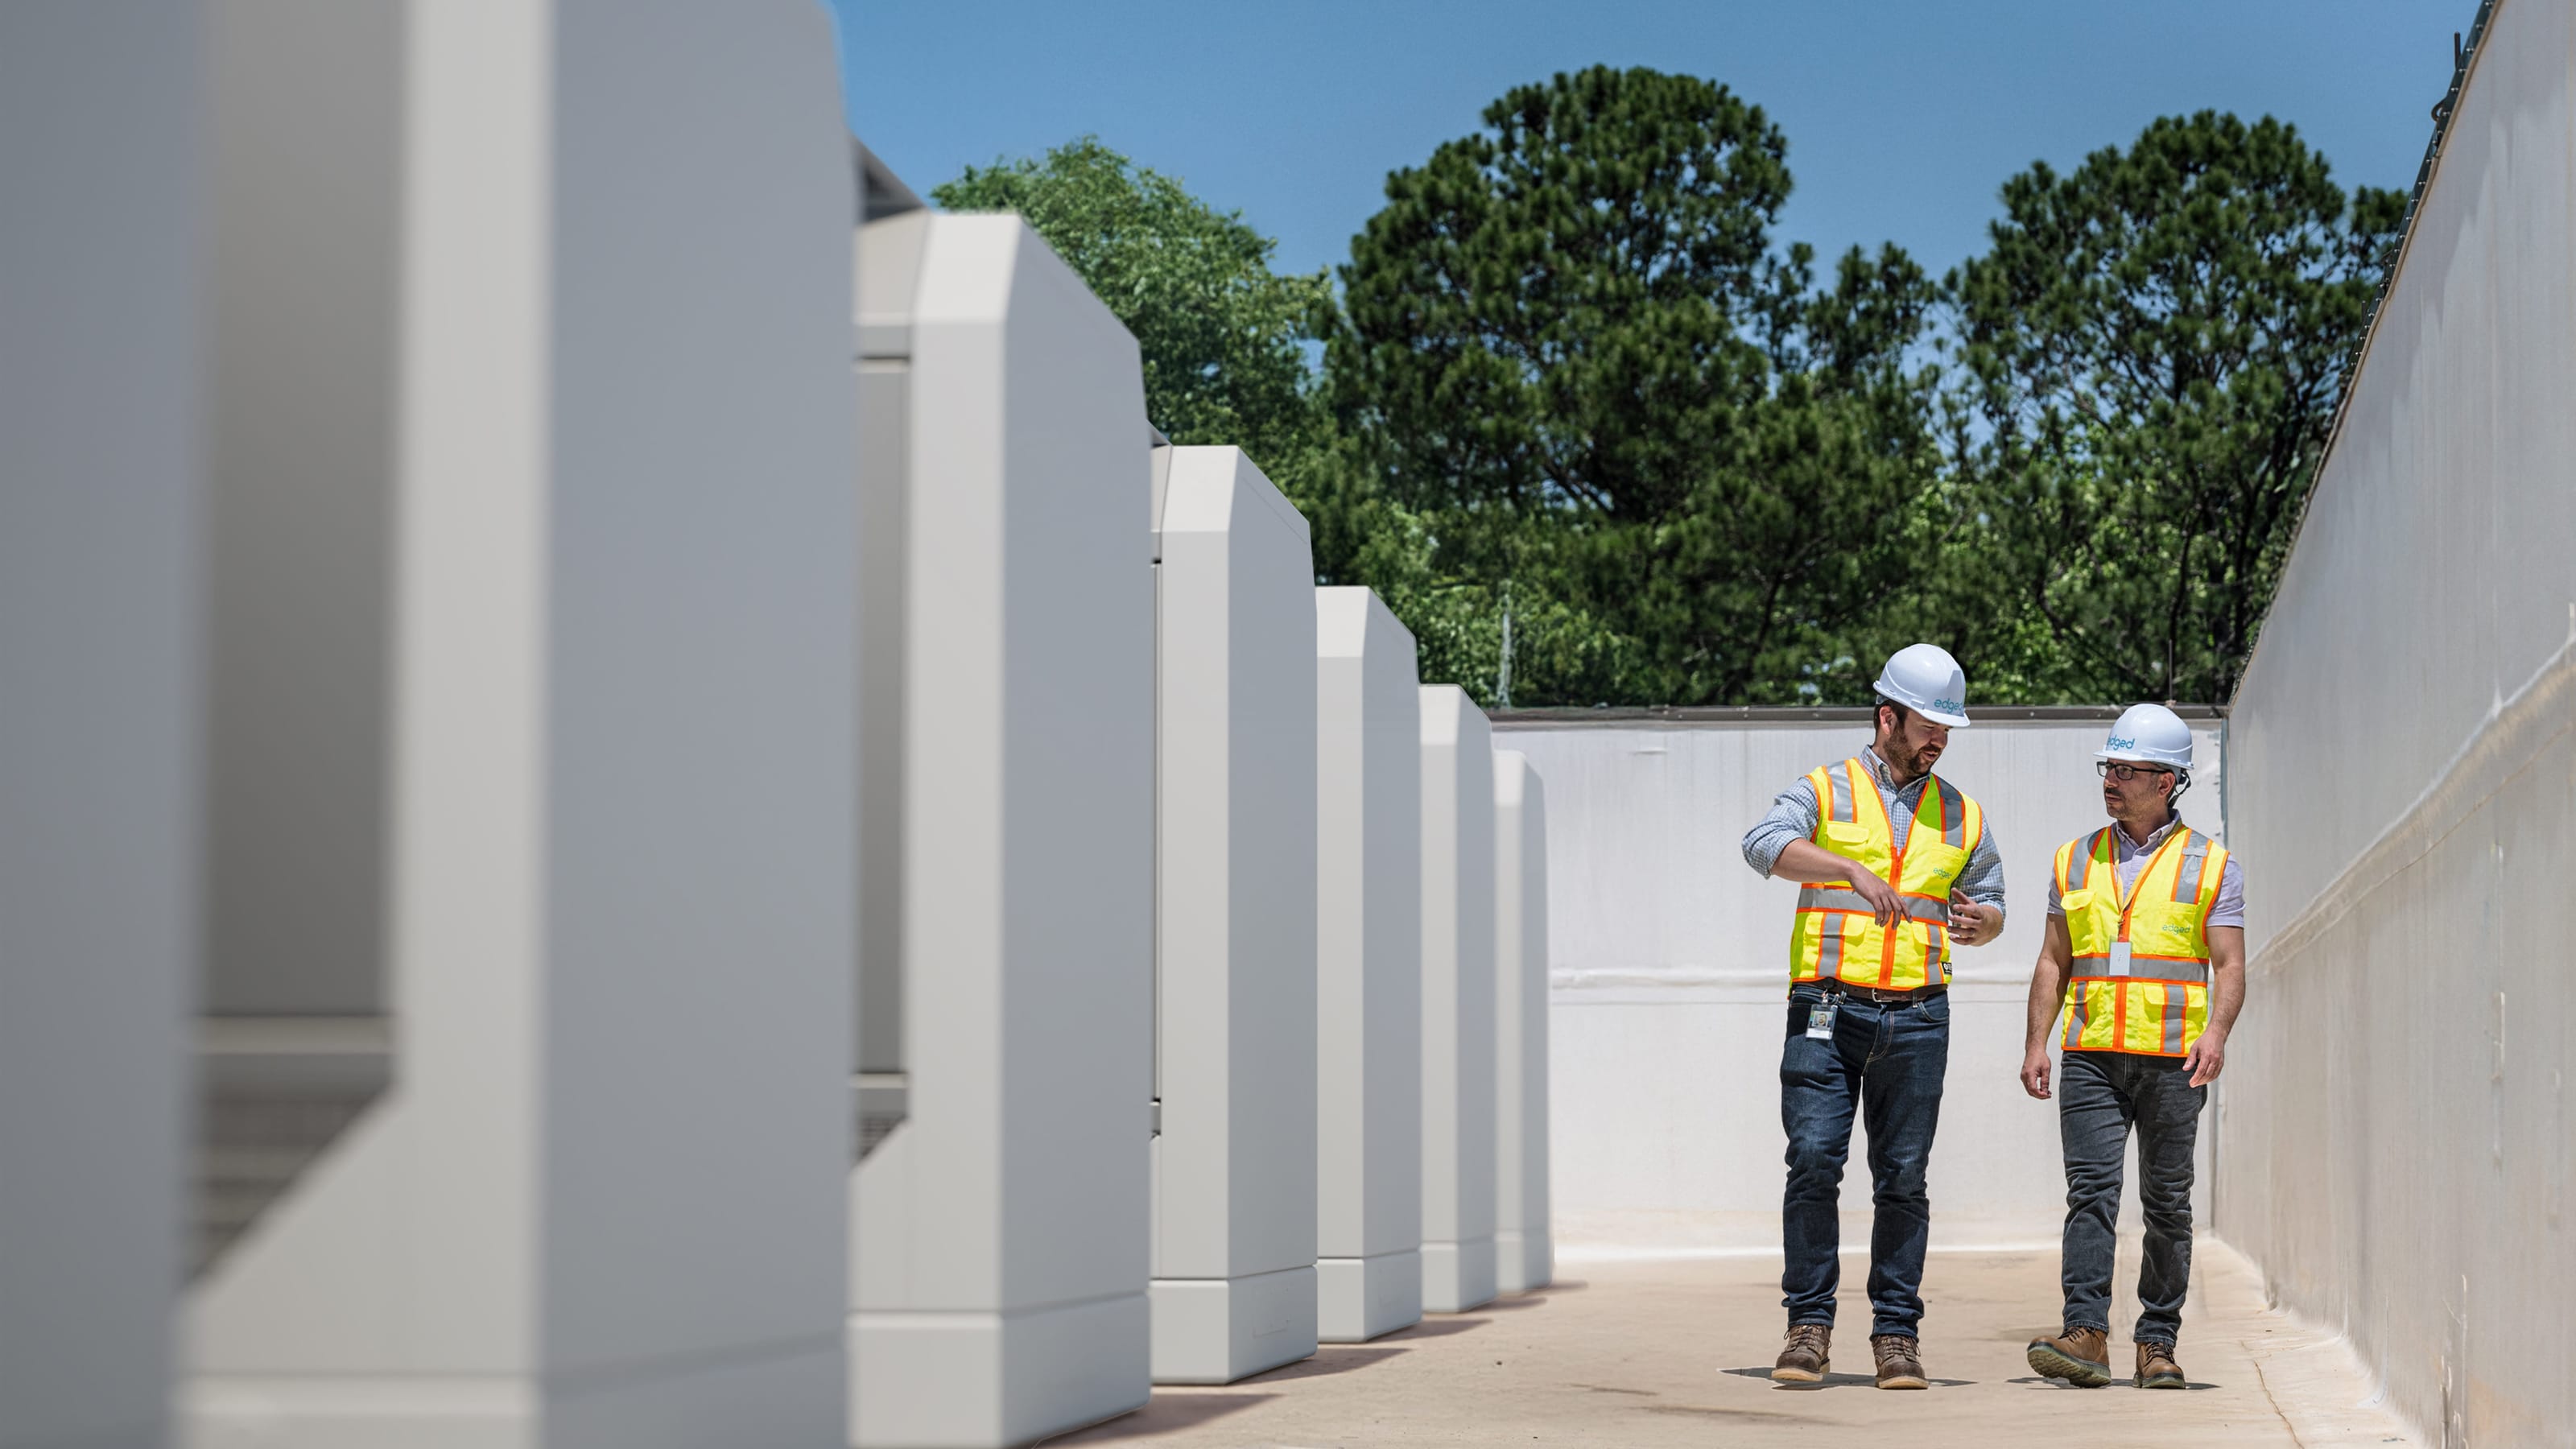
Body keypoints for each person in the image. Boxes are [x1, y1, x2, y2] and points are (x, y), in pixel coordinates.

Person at [1740, 644, 2005, 1390]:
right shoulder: (1824, 790)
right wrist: (1849, 868)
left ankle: (1896, 1337)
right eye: (1929, 726)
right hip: (1825, 1011)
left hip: (1919, 1019)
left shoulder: (1963, 813)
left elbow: (1993, 901)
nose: (1940, 741)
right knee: (1815, 1163)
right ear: (1887, 717)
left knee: (1904, 1178)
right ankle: (1808, 1328)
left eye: (1948, 731)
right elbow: (1762, 844)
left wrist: (1984, 923)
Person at [2020, 704, 2246, 1390]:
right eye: (2108, 768)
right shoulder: (2073, 857)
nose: (2112, 780)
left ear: (2168, 781)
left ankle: (2158, 1343)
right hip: (2091, 1054)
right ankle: (2085, 1334)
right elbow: (2054, 960)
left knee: (2168, 1201)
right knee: (2091, 1192)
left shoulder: (2212, 865)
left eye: (2127, 770)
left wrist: (2217, 1034)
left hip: (2176, 1058)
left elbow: (2230, 964)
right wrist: (2037, 1042)